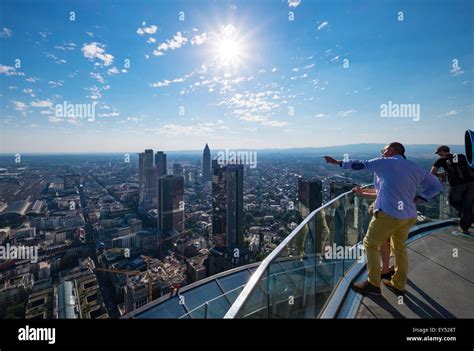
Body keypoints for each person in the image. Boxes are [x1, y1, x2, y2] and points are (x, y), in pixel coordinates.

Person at [324, 142, 442, 296]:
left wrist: (337, 162)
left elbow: (360, 165)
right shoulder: (415, 167)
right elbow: (437, 186)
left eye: (384, 150)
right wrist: (420, 198)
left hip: (388, 215)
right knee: (399, 249)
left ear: (391, 150)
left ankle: (373, 283)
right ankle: (399, 285)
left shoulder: (385, 162)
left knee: (370, 243)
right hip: (409, 216)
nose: (382, 153)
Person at [352, 186, 394, 280]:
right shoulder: (400, 174)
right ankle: (393, 269)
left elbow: (382, 194)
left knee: (372, 243)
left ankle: (375, 279)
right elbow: (380, 190)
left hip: (387, 211)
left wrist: (362, 193)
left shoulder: (389, 173)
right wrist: (362, 190)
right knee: (394, 242)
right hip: (398, 211)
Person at [431, 145, 474, 235]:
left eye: (438, 152)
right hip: (471, 183)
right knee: (468, 204)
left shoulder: (442, 160)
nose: (438, 154)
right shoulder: (461, 156)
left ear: (443, 151)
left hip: (457, 185)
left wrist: (441, 175)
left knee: (452, 201)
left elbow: (432, 172)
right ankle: (465, 224)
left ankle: (468, 217)